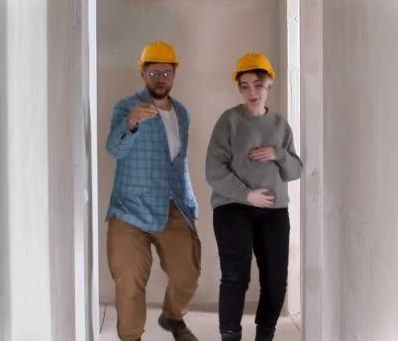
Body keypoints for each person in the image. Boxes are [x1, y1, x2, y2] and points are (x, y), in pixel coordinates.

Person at [105, 41, 201, 341]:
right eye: (155, 71)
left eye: (167, 72)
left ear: (174, 75)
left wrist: (188, 201)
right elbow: (113, 149)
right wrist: (131, 123)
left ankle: (173, 317)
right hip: (129, 210)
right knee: (129, 282)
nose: (161, 78)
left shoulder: (182, 113)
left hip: (172, 206)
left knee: (188, 273)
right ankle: (131, 338)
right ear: (143, 73)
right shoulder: (126, 107)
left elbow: (179, 162)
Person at [205, 53, 303, 341]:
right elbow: (213, 169)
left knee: (275, 282)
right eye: (244, 85)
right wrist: (246, 194)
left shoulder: (280, 125)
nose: (251, 92)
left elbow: (296, 169)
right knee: (236, 277)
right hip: (233, 207)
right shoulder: (229, 121)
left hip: (273, 211)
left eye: (257, 85)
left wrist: (278, 154)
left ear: (269, 85)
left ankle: (265, 335)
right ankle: (231, 336)